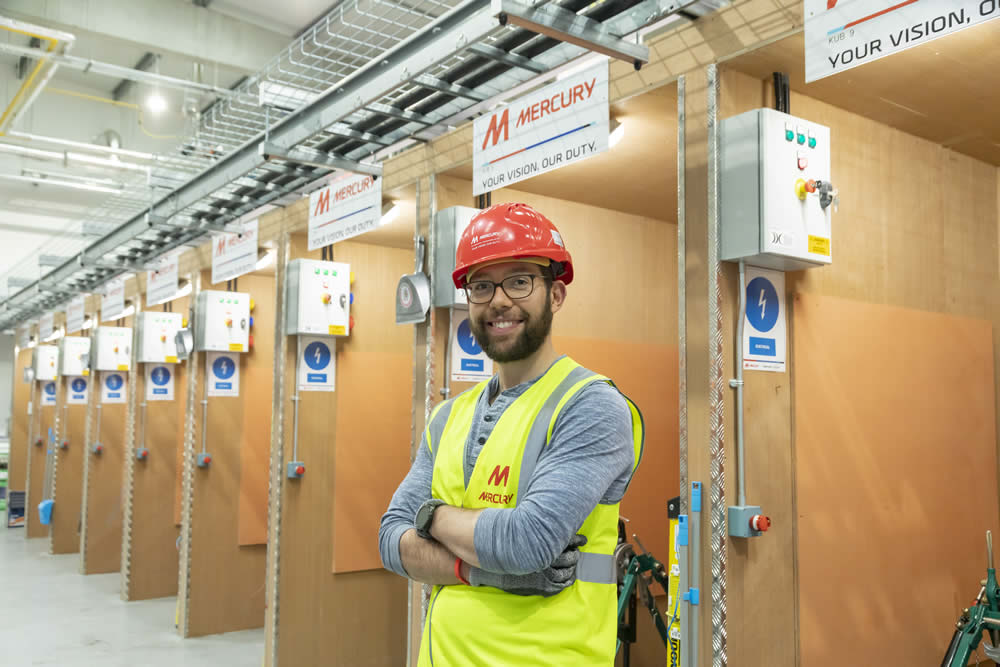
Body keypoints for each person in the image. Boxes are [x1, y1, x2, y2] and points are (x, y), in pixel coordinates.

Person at [379, 202, 644, 666]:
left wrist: (430, 516)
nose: (499, 300)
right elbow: (389, 542)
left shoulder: (591, 405)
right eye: (482, 286)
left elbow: (527, 542)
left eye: (519, 280)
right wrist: (486, 573)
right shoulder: (447, 417)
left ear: (555, 294)